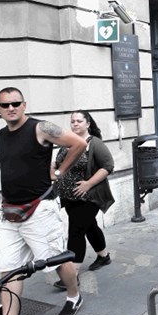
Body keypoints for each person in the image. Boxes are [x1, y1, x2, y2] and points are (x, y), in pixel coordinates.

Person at [0, 87, 87, 315]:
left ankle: (74, 295)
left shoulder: (40, 128)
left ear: (24, 104)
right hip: (9, 213)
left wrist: (58, 172)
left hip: (39, 209)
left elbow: (78, 143)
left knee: (56, 261)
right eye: (5, 105)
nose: (11, 108)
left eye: (15, 103)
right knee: (8, 271)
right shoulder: (1, 136)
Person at [52, 111, 114, 291]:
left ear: (87, 124)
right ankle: (104, 256)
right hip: (69, 197)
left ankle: (72, 275)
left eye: (79, 121)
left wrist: (88, 184)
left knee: (76, 231)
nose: (75, 124)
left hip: (89, 197)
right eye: (73, 121)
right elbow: (59, 164)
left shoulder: (94, 143)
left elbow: (108, 166)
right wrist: (53, 170)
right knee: (89, 226)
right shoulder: (67, 142)